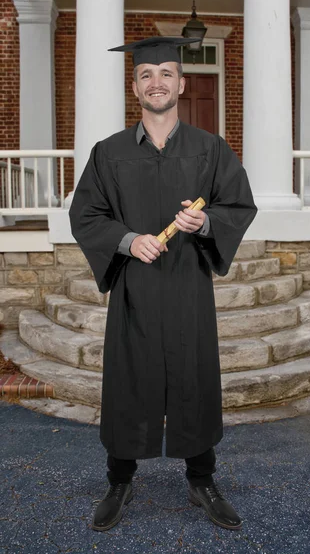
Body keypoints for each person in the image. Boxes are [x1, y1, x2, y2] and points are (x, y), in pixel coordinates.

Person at [69, 36, 257, 533]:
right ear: (135, 87)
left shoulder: (210, 149)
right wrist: (128, 241)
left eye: (167, 73)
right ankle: (119, 481)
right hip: (135, 288)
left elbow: (237, 206)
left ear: (182, 82)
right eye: (147, 75)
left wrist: (206, 224)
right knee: (129, 379)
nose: (158, 82)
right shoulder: (108, 153)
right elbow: (86, 214)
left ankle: (203, 480)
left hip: (187, 284)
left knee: (194, 376)